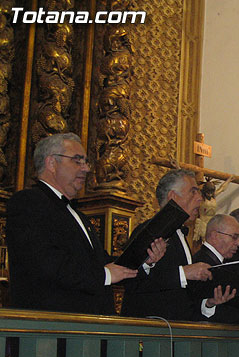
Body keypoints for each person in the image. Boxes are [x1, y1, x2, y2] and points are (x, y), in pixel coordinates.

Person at [6, 132, 151, 314]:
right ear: (51, 163)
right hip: (51, 326)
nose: (86, 169)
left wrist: (144, 260)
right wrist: (104, 275)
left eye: (85, 161)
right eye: (77, 160)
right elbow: (46, 263)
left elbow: (102, 262)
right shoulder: (28, 202)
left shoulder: (79, 216)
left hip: (87, 326)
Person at [121, 169, 233, 321]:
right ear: (173, 197)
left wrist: (208, 303)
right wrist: (184, 273)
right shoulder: (150, 231)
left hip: (177, 331)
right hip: (150, 332)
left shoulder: (179, 235)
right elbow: (132, 280)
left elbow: (180, 297)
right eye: (193, 192)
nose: (200, 198)